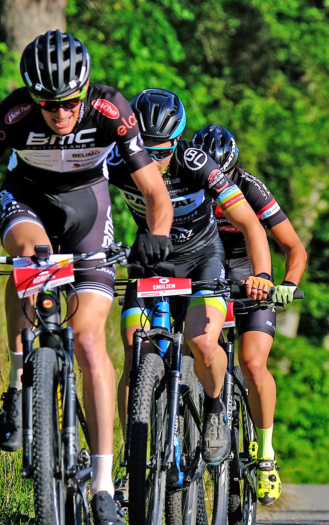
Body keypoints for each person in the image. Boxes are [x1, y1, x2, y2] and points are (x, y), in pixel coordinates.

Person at [0, 31, 173, 525]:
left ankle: (102, 487)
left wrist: (158, 237)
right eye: (49, 106)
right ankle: (19, 386)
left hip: (87, 209)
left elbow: (154, 190)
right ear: (33, 99)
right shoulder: (12, 116)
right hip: (28, 203)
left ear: (84, 93)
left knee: (89, 341)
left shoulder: (109, 109)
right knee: (30, 259)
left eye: (69, 104)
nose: (61, 115)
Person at [109, 90, 273, 496]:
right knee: (135, 350)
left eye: (163, 150)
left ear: (178, 141)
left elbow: (251, 225)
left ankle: (216, 409)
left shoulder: (197, 163)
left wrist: (264, 275)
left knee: (202, 340)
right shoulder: (117, 161)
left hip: (203, 258)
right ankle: (134, 456)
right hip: (151, 257)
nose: (154, 159)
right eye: (145, 149)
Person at [192, 124, 308, 506]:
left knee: (252, 362)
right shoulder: (188, 178)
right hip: (204, 270)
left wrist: (285, 283)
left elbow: (293, 247)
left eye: (222, 176)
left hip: (249, 275)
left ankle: (266, 455)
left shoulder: (251, 188)